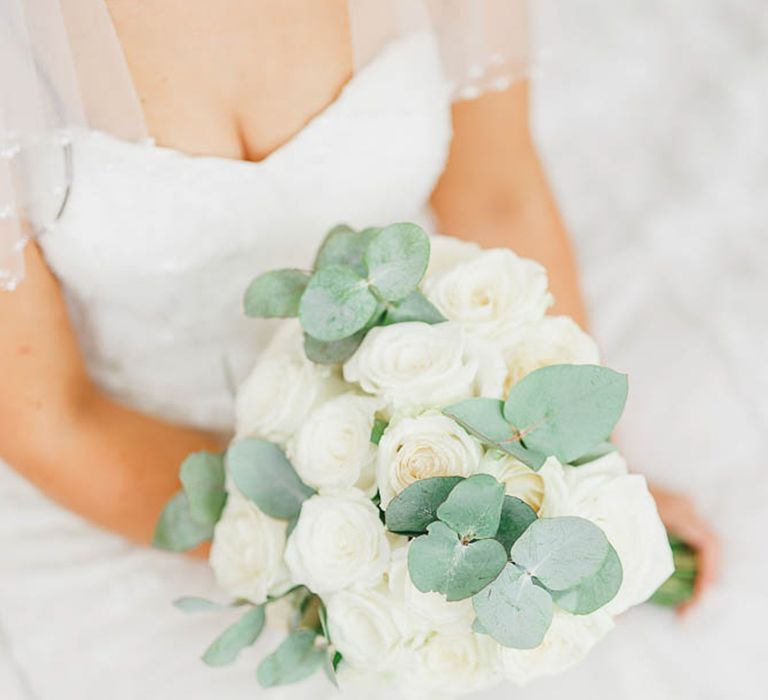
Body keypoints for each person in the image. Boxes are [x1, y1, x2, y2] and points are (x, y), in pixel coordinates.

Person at [0, 1, 717, 697]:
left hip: (434, 410)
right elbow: (49, 421)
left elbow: (499, 196)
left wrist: (571, 479)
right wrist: (347, 555)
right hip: (144, 478)